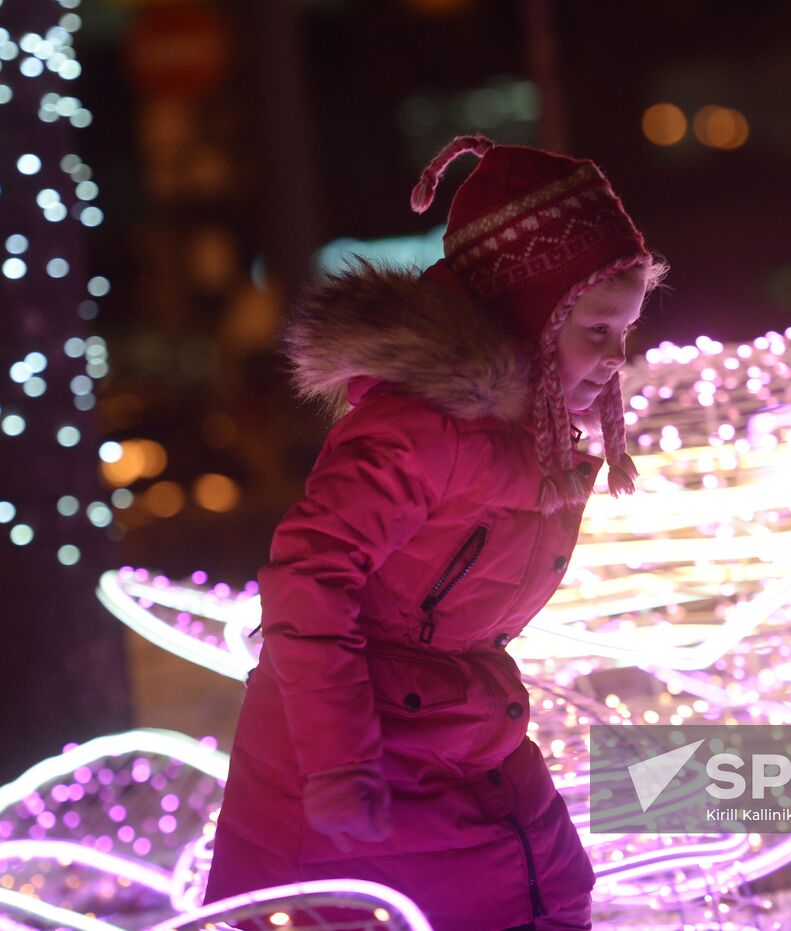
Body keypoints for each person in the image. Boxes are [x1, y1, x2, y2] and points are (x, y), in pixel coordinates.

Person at [204, 135, 665, 930]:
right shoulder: (420, 429)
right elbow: (311, 574)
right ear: (532, 313)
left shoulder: (537, 440)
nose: (616, 356)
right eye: (596, 328)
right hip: (354, 754)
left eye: (625, 329)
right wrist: (340, 763)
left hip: (455, 729)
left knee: (554, 892)